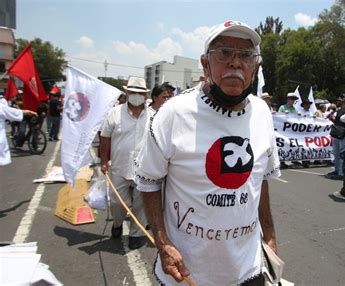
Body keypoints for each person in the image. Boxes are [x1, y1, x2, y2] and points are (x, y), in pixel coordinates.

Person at [135, 20, 281, 285]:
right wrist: (162, 240)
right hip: (188, 271)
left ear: (255, 67)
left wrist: (269, 235)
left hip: (249, 267)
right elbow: (148, 180)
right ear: (205, 64)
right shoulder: (173, 113)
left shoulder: (262, 113)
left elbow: (260, 179)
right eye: (224, 53)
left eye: (246, 56)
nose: (236, 63)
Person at [100, 77, 150, 250]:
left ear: (145, 95)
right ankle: (117, 223)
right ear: (127, 93)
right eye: (133, 92)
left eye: (140, 93)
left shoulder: (153, 116)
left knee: (141, 203)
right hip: (119, 167)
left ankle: (136, 234)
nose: (136, 96)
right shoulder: (114, 113)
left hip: (144, 170)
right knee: (117, 202)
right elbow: (105, 138)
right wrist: (104, 160)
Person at [0, 97, 37, 166]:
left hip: (23, 119)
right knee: (21, 131)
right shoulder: (2, 107)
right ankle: (18, 142)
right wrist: (28, 112)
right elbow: (15, 112)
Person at [326, 93, 345, 180]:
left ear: (343, 101)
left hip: (343, 134)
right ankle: (337, 169)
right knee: (336, 153)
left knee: (341, 153)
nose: (337, 102)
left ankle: (341, 172)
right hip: (337, 133)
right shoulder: (339, 110)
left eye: (339, 100)